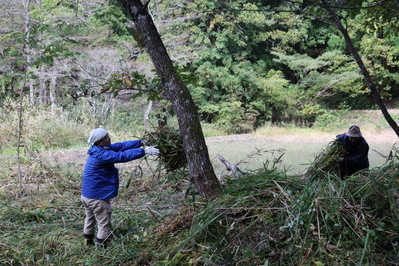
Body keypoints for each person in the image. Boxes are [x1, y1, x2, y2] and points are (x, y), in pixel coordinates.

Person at [81, 128, 159, 248]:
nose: (109, 139)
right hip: (97, 197)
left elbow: (121, 146)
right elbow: (121, 156)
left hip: (87, 195)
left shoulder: (98, 150)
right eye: (106, 138)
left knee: (90, 218)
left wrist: (141, 142)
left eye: (108, 136)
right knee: (104, 224)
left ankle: (87, 243)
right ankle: (101, 250)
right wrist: (144, 151)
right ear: (99, 142)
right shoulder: (102, 154)